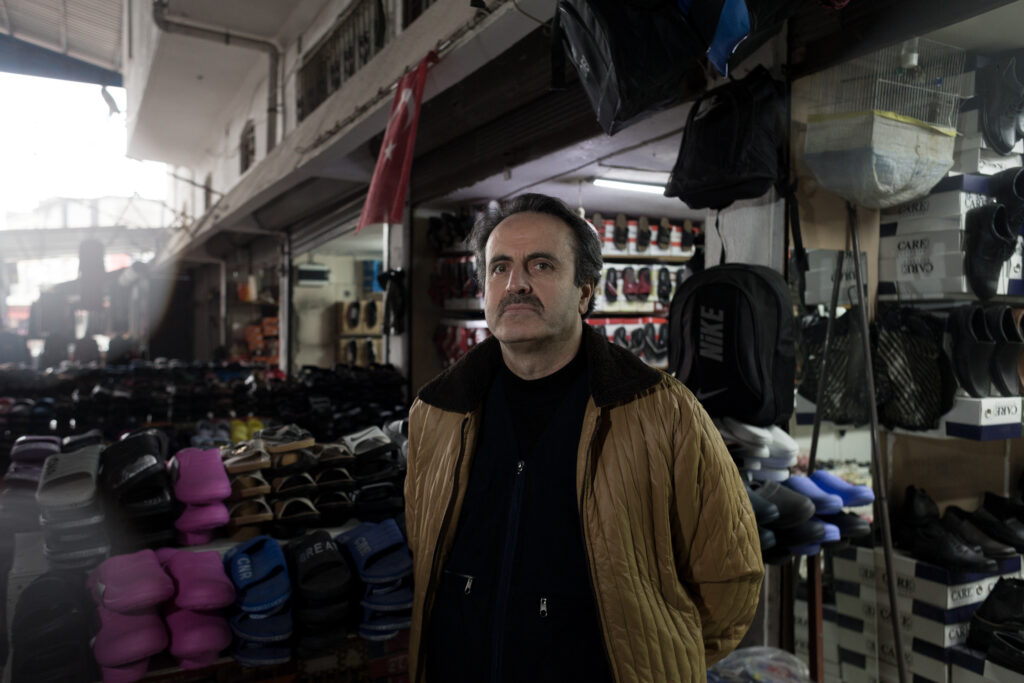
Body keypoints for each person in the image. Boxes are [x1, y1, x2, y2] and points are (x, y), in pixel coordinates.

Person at [404, 193, 763, 683]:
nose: (517, 284)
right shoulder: (436, 414)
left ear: (585, 291)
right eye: (499, 268)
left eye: (542, 265)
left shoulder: (663, 411)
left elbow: (730, 575)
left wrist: (659, 658)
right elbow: (424, 552)